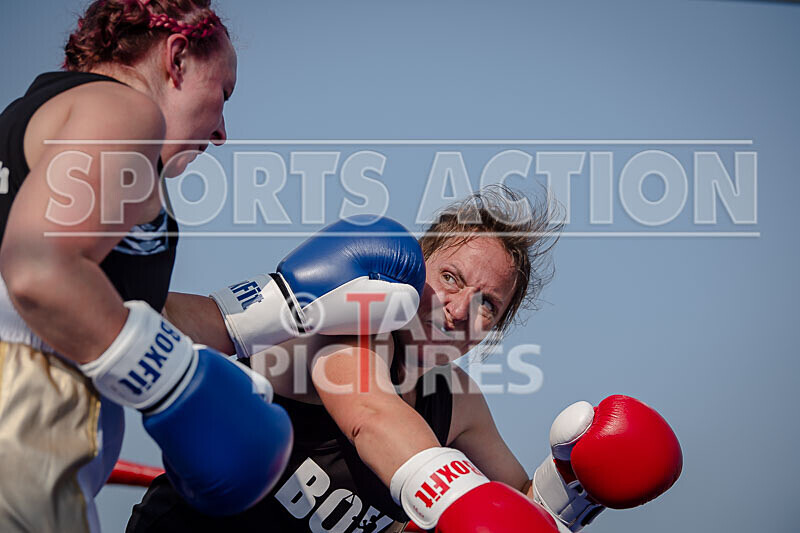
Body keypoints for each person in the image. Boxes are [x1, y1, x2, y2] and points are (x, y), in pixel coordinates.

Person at [126, 185, 683, 533]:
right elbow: (369, 413)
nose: (460, 308)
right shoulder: (353, 325)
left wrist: (571, 490)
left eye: (488, 304)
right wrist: (457, 497)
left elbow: (512, 506)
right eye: (450, 278)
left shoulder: (459, 402)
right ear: (410, 270)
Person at [0, 2, 297, 532]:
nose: (223, 130)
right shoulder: (124, 109)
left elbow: (122, 309)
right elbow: (38, 270)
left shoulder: (40, 117)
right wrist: (177, 383)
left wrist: (283, 303)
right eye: (223, 92)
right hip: (21, 421)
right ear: (177, 58)